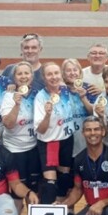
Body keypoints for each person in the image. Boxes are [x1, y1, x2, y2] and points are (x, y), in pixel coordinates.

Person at [0, 61, 40, 215]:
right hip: (14, 150)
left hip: (34, 148)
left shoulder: (38, 95)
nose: (23, 76)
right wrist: (16, 104)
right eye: (19, 74)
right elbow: (8, 124)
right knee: (17, 190)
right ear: (14, 78)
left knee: (34, 187)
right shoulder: (8, 96)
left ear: (32, 76)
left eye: (26, 73)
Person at [34, 62, 76, 205]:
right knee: (50, 183)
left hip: (66, 139)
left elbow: (83, 86)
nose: (54, 77)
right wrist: (47, 114)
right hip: (49, 142)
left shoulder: (67, 91)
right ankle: (46, 211)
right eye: (49, 74)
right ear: (44, 78)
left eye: (56, 73)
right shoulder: (41, 97)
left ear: (61, 75)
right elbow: (41, 130)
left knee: (64, 179)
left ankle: (60, 211)